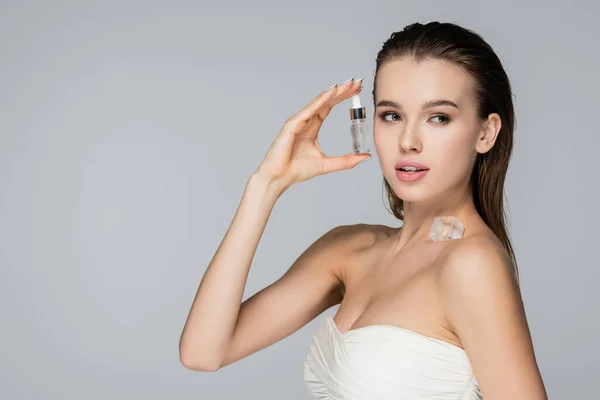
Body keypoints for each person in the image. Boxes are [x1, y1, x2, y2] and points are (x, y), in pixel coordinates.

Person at [179, 21, 548, 399]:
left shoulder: (472, 264)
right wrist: (266, 185)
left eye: (438, 117)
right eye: (391, 115)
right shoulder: (349, 249)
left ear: (486, 132)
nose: (408, 141)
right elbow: (204, 352)